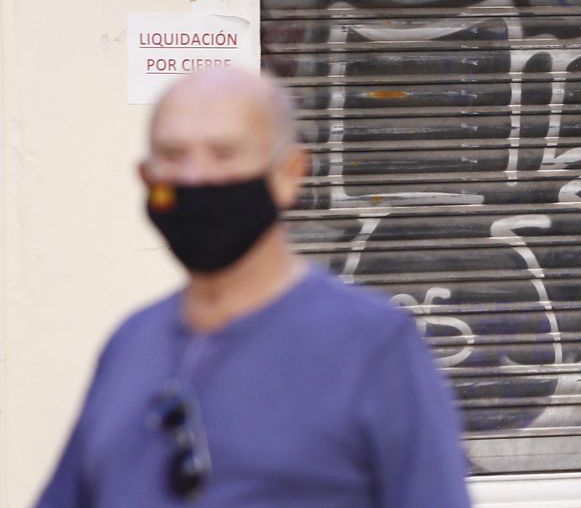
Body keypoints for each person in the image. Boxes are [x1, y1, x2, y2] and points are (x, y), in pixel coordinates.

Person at [36, 68, 472, 507]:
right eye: (172, 154)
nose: (195, 178)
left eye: (224, 154)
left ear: (289, 173)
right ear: (146, 177)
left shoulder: (372, 347)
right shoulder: (130, 344)